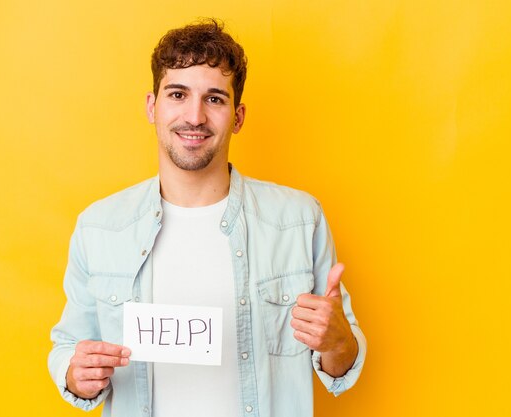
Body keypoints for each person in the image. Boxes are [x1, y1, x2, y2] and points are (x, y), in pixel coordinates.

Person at [48, 19, 366, 417]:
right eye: (178, 94)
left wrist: (338, 343)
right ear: (152, 106)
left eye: (214, 99)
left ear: (237, 116)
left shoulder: (300, 220)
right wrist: (74, 374)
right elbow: (67, 347)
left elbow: (343, 364)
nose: (194, 116)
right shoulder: (99, 227)